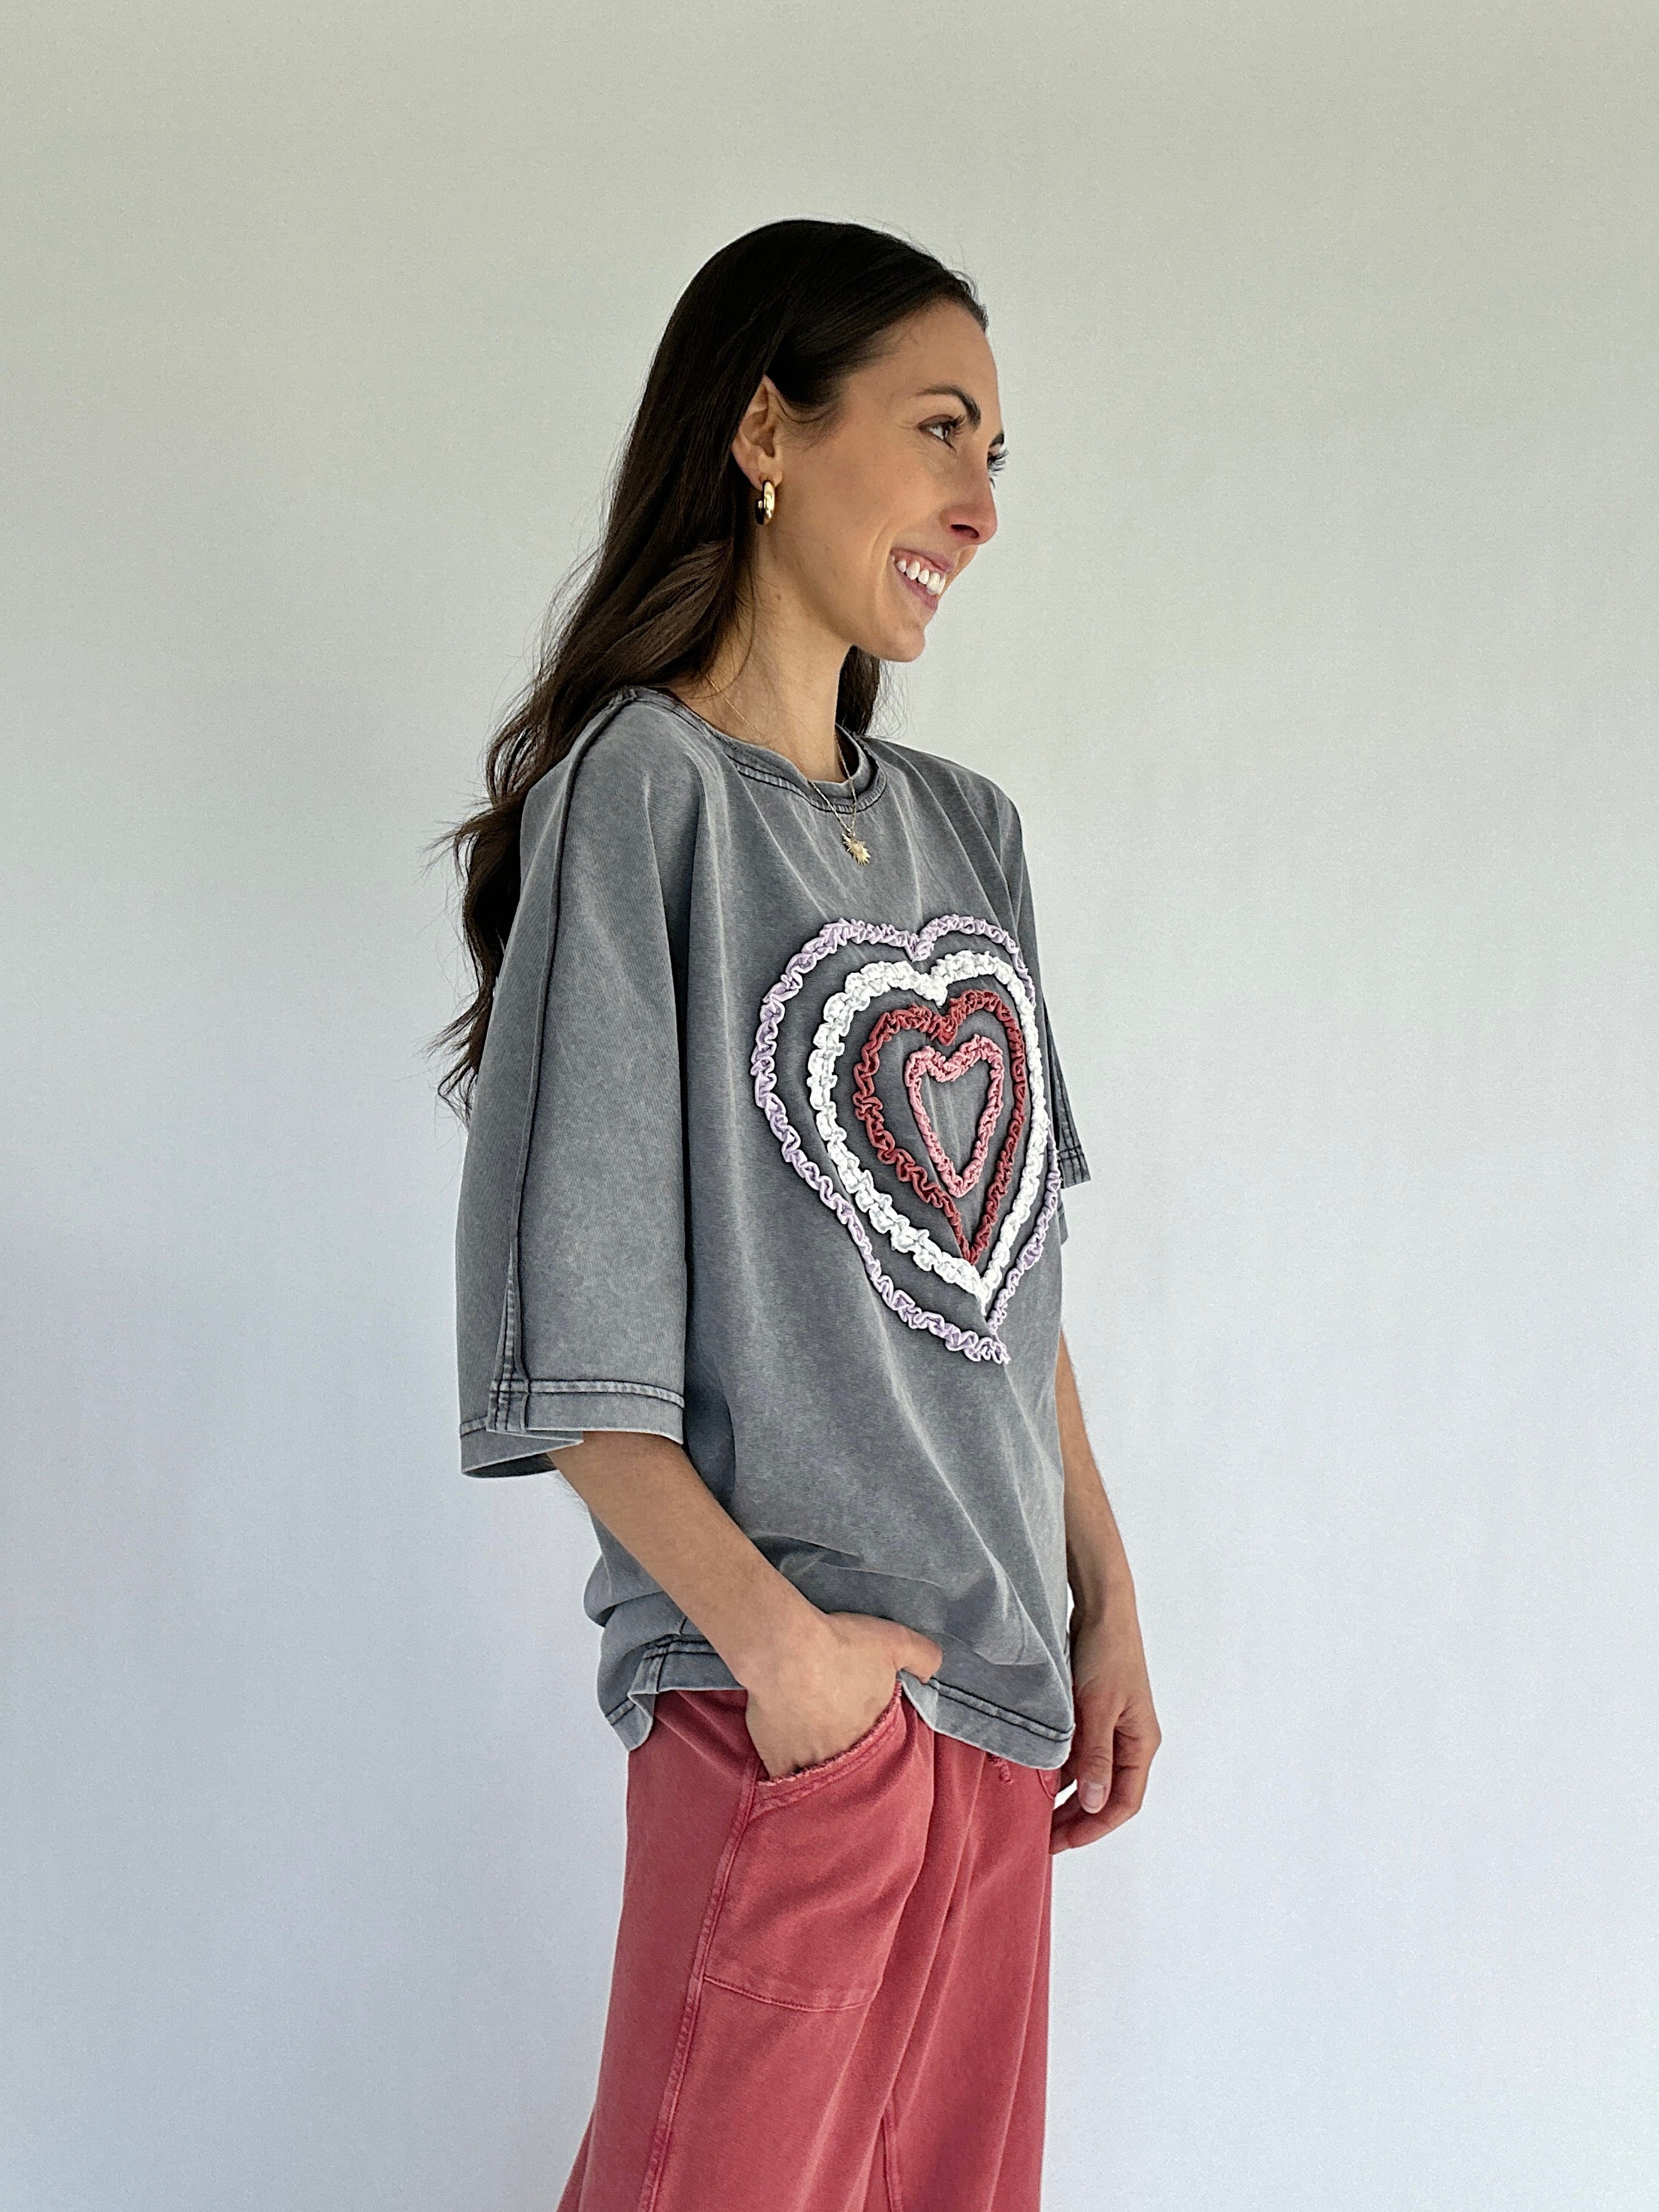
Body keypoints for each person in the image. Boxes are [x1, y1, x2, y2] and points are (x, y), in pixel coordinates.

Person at [436, 219, 1160, 2212]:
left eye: (1003, 456)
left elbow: (1012, 1271)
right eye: (943, 432)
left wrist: (1105, 1592)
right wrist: (785, 1665)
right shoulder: (643, 797)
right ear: (767, 425)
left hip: (999, 1715)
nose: (981, 506)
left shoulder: (968, 833)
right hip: (798, 1711)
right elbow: (563, 1336)